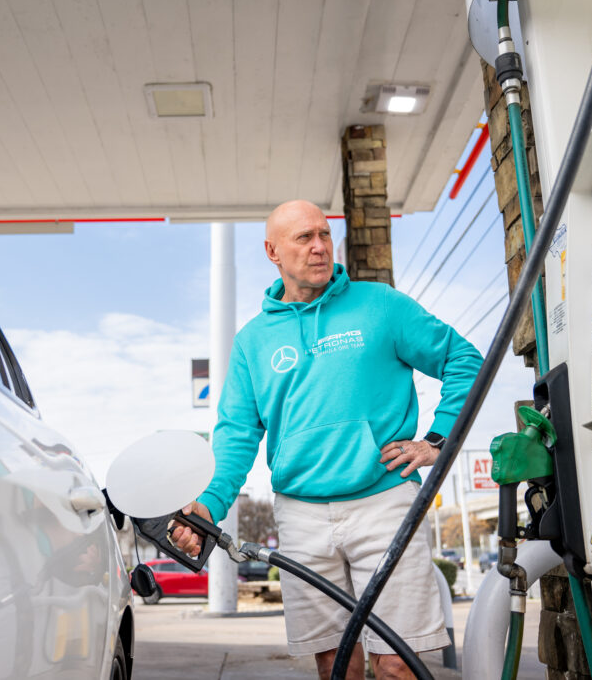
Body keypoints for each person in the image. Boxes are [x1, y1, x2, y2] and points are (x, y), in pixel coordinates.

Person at [171, 200, 483, 680]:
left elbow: (463, 360)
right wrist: (210, 504)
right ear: (272, 251)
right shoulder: (253, 340)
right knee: (335, 664)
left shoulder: (380, 305)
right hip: (301, 514)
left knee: (396, 663)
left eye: (324, 234)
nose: (319, 247)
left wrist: (437, 441)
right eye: (304, 237)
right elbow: (237, 433)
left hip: (384, 501)